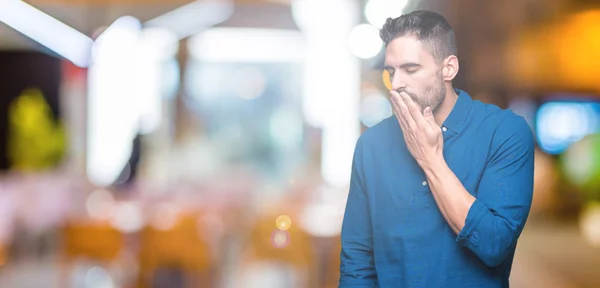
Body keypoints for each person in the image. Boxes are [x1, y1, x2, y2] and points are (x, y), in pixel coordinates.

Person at [339, 10, 535, 288]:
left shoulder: (505, 132)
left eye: (410, 69)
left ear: (449, 68)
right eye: (391, 71)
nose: (396, 84)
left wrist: (430, 159)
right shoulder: (371, 145)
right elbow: (357, 264)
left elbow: (494, 244)